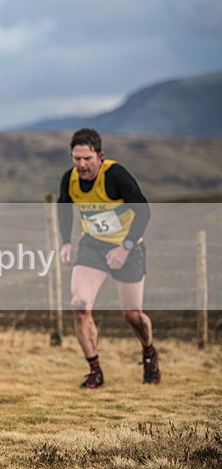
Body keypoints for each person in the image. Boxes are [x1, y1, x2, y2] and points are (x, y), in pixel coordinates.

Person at [57, 128, 160, 389]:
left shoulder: (115, 176)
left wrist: (124, 247)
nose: (81, 165)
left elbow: (144, 212)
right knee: (79, 306)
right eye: (76, 158)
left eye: (87, 159)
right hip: (93, 246)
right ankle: (95, 370)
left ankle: (149, 353)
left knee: (132, 315)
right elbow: (64, 207)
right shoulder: (69, 180)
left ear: (99, 156)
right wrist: (66, 241)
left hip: (128, 248)